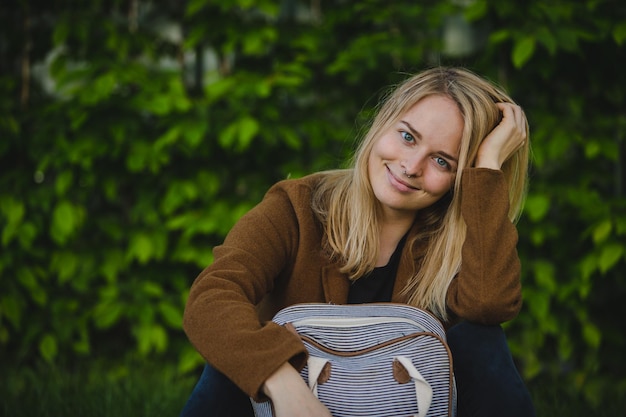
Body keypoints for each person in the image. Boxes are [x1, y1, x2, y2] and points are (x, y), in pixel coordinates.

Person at [180, 66, 536, 417]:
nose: (411, 166)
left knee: (481, 339)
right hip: (295, 407)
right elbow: (212, 296)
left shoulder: (461, 238)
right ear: (382, 124)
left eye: (442, 161)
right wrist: (281, 382)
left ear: (461, 178)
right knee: (233, 355)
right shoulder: (298, 207)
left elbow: (488, 307)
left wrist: (488, 168)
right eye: (408, 137)